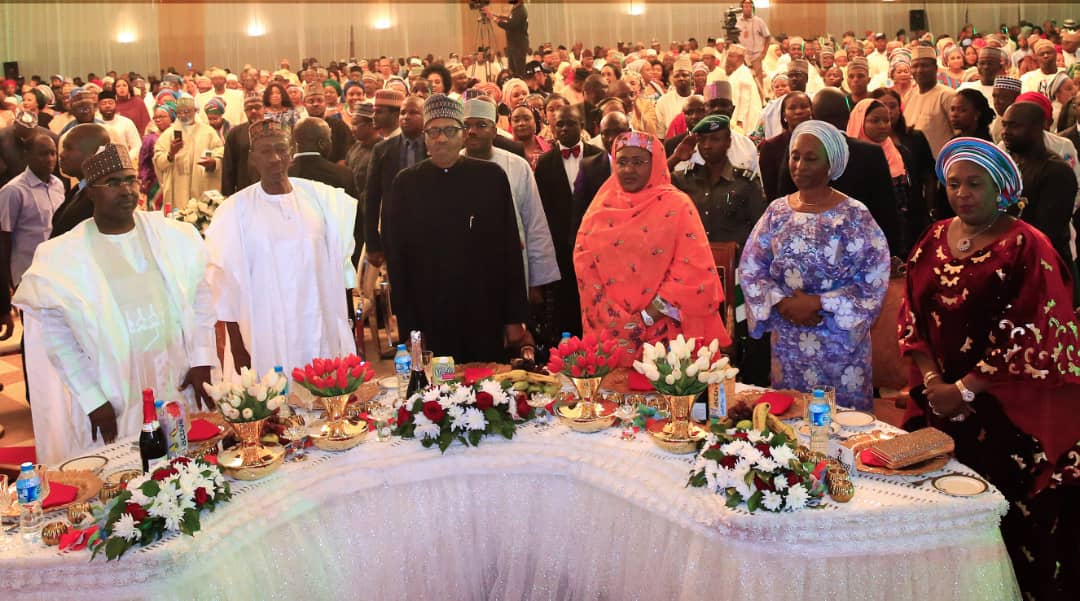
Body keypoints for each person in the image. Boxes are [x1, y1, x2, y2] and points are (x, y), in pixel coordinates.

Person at [898, 137, 1080, 601]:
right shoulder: (933, 239)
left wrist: (966, 388)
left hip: (1009, 409)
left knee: (1008, 520)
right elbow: (911, 316)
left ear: (1000, 188)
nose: (962, 193)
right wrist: (936, 382)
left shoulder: (1027, 245)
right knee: (940, 505)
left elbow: (1036, 330)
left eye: (974, 184)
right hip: (940, 401)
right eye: (953, 184)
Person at [13, 143, 216, 464]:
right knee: (125, 483)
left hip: (174, 377)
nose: (127, 190)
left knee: (185, 471)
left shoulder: (174, 236)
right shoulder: (62, 256)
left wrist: (202, 357)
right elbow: (58, 337)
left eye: (131, 180)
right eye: (113, 183)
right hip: (113, 391)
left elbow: (200, 297)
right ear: (90, 192)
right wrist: (92, 399)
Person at [740, 120, 891, 410]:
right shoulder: (776, 211)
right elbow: (751, 266)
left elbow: (874, 276)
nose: (799, 165)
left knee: (841, 424)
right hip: (788, 340)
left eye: (811, 158)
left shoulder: (854, 215)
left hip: (840, 341)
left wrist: (819, 303)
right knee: (790, 418)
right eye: (795, 156)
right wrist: (781, 302)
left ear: (831, 164)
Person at [384, 94, 532, 362]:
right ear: (425, 137)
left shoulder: (491, 177)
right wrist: (409, 327)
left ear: (463, 135)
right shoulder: (405, 184)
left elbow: (509, 251)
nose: (441, 138)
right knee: (436, 396)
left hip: (484, 309)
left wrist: (514, 318)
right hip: (430, 313)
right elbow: (397, 260)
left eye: (450, 130)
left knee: (488, 391)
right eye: (434, 131)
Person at [205, 120, 357, 376]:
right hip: (264, 334)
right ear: (253, 158)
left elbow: (340, 274)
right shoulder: (234, 212)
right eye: (265, 151)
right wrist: (239, 348)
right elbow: (225, 288)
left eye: (281, 149)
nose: (275, 158)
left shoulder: (322, 200)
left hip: (317, 326)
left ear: (292, 151)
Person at [575, 131, 729, 365]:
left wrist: (648, 316)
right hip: (611, 328)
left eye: (638, 162)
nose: (628, 170)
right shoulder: (600, 207)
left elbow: (691, 268)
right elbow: (584, 261)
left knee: (668, 394)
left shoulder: (677, 206)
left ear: (655, 163)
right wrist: (617, 319)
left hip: (665, 328)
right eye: (623, 162)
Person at [777, 88, 901, 256]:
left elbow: (785, 200)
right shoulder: (871, 153)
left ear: (814, 117)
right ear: (848, 115)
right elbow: (886, 211)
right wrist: (892, 254)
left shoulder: (797, 151)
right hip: (860, 251)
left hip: (807, 250)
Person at [460, 97, 559, 299]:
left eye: (481, 125)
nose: (472, 131)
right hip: (464, 270)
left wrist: (536, 281)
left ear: (495, 131)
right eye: (466, 125)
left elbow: (534, 223)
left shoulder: (517, 166)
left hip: (510, 267)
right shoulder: (451, 167)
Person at [535, 105, 603, 338]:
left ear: (581, 126)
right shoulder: (544, 163)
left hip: (596, 244)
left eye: (570, 123)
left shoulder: (599, 156)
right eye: (559, 124)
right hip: (561, 247)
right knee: (566, 302)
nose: (564, 128)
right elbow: (542, 207)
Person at [1000, 101, 1079, 280]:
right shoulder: (1008, 163)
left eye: (1015, 126)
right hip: (1011, 263)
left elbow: (1046, 234)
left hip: (1044, 271)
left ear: (1038, 128)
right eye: (1004, 125)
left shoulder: (1056, 171)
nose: (1006, 131)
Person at [0, 134, 64, 341]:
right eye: (43, 154)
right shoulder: (13, 191)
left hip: (57, 271)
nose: (49, 159)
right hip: (28, 274)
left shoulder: (58, 185)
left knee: (57, 337)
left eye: (53, 153)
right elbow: (4, 240)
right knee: (34, 338)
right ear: (27, 155)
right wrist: (9, 285)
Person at [364, 95, 425, 268]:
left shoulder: (433, 146)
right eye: (403, 112)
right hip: (394, 234)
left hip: (429, 232)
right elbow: (371, 198)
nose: (406, 117)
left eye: (414, 112)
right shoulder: (383, 150)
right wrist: (372, 244)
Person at [152, 95, 222, 210]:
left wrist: (213, 162)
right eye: (179, 112)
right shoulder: (169, 134)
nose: (183, 115)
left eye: (187, 111)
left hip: (201, 184)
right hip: (177, 187)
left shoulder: (208, 132)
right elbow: (158, 160)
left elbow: (220, 152)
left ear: (195, 111)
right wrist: (171, 154)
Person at [51, 123, 110, 238]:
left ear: (93, 154)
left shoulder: (99, 199)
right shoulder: (79, 190)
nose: (61, 155)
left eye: (68, 148)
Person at [573, 111, 630, 229]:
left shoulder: (642, 165)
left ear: (629, 132)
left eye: (618, 132)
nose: (611, 138)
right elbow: (579, 213)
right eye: (605, 133)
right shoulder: (588, 167)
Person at [759, 91, 813, 202]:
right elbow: (771, 191)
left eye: (803, 107)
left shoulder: (820, 142)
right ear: (784, 115)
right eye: (792, 108)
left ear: (811, 111)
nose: (798, 111)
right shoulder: (770, 147)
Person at [905, 46, 957, 158]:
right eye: (915, 66)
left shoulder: (947, 95)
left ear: (935, 68)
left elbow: (959, 134)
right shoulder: (909, 95)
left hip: (941, 163)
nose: (919, 70)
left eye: (924, 65)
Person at [1, 110, 59, 188]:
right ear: (14, 125)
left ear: (36, 128)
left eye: (29, 134)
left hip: (43, 186)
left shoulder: (51, 139)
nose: (26, 139)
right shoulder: (2, 138)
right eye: (23, 135)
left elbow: (57, 170)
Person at [221, 95, 265, 196]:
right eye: (249, 108)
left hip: (271, 186)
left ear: (264, 109)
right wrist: (228, 194)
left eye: (257, 107)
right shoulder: (235, 133)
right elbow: (228, 165)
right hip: (244, 187)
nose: (253, 111)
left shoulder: (275, 129)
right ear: (245, 111)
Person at [302, 82, 352, 163]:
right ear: (304, 104)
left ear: (325, 102)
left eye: (319, 100)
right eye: (311, 101)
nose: (316, 104)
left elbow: (346, 153)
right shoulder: (301, 128)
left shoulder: (339, 126)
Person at [139, 102, 174, 209]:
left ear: (171, 117)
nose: (158, 119)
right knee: (155, 207)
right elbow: (143, 162)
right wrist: (144, 179)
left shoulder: (177, 134)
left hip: (174, 179)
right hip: (155, 181)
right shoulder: (149, 139)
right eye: (155, 117)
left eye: (162, 116)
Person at [723, 45, 764, 135]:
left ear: (740, 58)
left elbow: (745, 99)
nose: (728, 59)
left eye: (731, 56)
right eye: (728, 56)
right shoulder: (736, 73)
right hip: (736, 115)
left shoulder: (744, 73)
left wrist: (740, 120)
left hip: (744, 118)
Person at [655, 57, 695, 135]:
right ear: (672, 79)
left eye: (684, 75)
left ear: (692, 78)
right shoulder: (663, 101)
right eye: (676, 76)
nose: (680, 78)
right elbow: (660, 133)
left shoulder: (699, 99)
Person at [491, 0, 530, 78]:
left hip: (518, 45)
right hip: (513, 45)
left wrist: (494, 19)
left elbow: (510, 25)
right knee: (512, 71)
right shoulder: (515, 8)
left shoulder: (521, 10)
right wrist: (496, 15)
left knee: (518, 72)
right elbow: (510, 19)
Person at [736, 1, 770, 80]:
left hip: (756, 56)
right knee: (743, 79)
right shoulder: (737, 21)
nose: (748, 8)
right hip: (742, 56)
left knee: (758, 80)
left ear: (752, 8)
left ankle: (759, 92)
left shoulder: (759, 21)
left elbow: (767, 37)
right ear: (742, 8)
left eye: (750, 6)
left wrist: (764, 52)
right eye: (746, 6)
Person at [509, 105, 551, 170]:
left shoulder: (549, 147)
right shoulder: (505, 149)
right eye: (516, 120)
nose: (521, 123)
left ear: (535, 123)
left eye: (526, 119)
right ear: (511, 124)